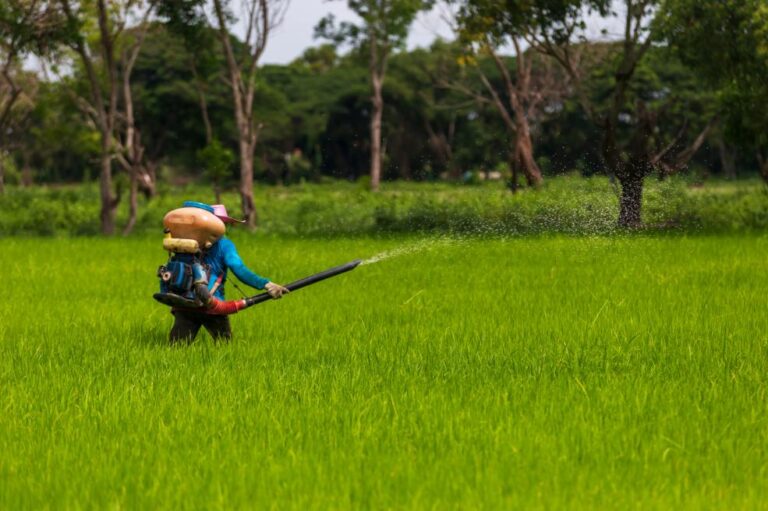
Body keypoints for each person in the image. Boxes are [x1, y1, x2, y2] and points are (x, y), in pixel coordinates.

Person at [169, 202, 289, 343]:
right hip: (212, 304)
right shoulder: (225, 245)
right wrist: (266, 284)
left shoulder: (182, 244)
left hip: (184, 303)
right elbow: (238, 268)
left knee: (177, 347)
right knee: (224, 347)